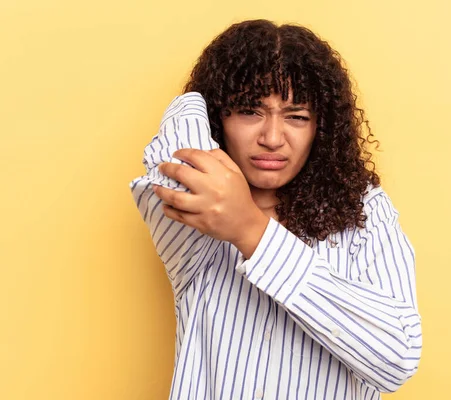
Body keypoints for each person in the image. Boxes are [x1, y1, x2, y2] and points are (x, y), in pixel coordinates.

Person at [129, 19, 421, 400]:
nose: (271, 138)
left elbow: (397, 358)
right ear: (219, 119)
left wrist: (251, 230)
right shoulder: (197, 216)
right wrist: (210, 91)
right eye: (249, 111)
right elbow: (180, 126)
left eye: (297, 116)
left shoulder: (364, 211)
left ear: (322, 128)